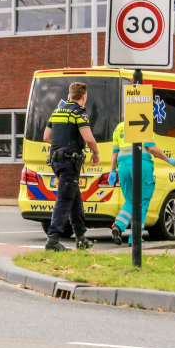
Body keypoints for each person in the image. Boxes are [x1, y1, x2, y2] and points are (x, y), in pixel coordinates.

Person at [43, 82, 100, 251]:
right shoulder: (79, 113)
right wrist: (96, 153)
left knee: (74, 197)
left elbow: (46, 137)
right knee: (65, 198)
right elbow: (88, 139)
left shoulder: (56, 112)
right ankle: (52, 240)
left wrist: (60, 147)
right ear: (84, 97)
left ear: (70, 95)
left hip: (56, 160)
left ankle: (80, 236)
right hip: (69, 162)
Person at [108, 121, 175, 246]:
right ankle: (135, 237)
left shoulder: (119, 128)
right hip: (141, 166)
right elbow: (151, 148)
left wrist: (112, 170)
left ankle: (118, 226)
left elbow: (115, 153)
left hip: (122, 168)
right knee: (142, 202)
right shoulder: (143, 124)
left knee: (130, 200)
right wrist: (167, 159)